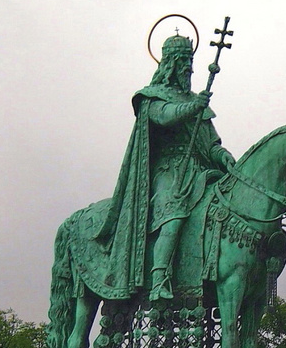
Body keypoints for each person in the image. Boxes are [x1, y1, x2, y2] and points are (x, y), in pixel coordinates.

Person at [93, 32, 238, 302]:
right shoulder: (152, 97)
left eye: (190, 63)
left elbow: (210, 143)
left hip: (201, 172)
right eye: (182, 62)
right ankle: (160, 278)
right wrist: (193, 106)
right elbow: (165, 117)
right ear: (169, 63)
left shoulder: (196, 102)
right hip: (168, 171)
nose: (188, 69)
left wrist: (223, 156)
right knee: (174, 214)